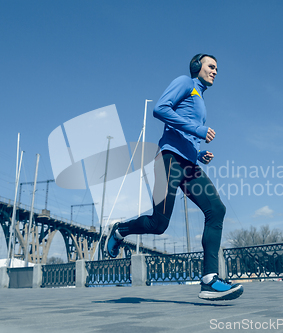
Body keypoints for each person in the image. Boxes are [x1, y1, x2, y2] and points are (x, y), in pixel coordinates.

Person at [104, 54, 243, 301]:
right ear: (196, 67)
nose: (215, 71)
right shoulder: (185, 83)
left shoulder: (199, 97)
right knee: (159, 225)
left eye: (217, 68)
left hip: (189, 164)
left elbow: (183, 135)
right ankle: (119, 231)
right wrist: (198, 130)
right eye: (211, 66)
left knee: (216, 209)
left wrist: (199, 154)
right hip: (168, 161)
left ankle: (209, 280)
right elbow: (160, 109)